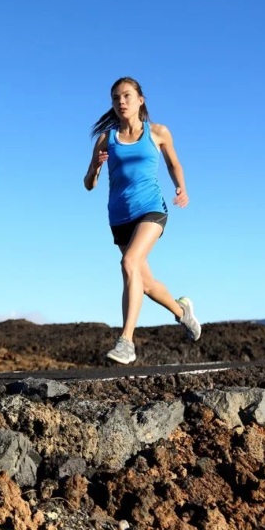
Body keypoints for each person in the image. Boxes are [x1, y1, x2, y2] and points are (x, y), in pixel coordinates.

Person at [83, 77, 201, 364]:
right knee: (145, 284)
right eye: (115, 98)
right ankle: (181, 310)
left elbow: (174, 164)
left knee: (129, 263)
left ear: (140, 100)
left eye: (126, 96)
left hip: (151, 209)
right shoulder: (106, 139)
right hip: (119, 217)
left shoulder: (157, 132)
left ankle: (126, 342)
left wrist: (181, 187)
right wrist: (97, 168)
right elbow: (88, 184)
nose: (120, 102)